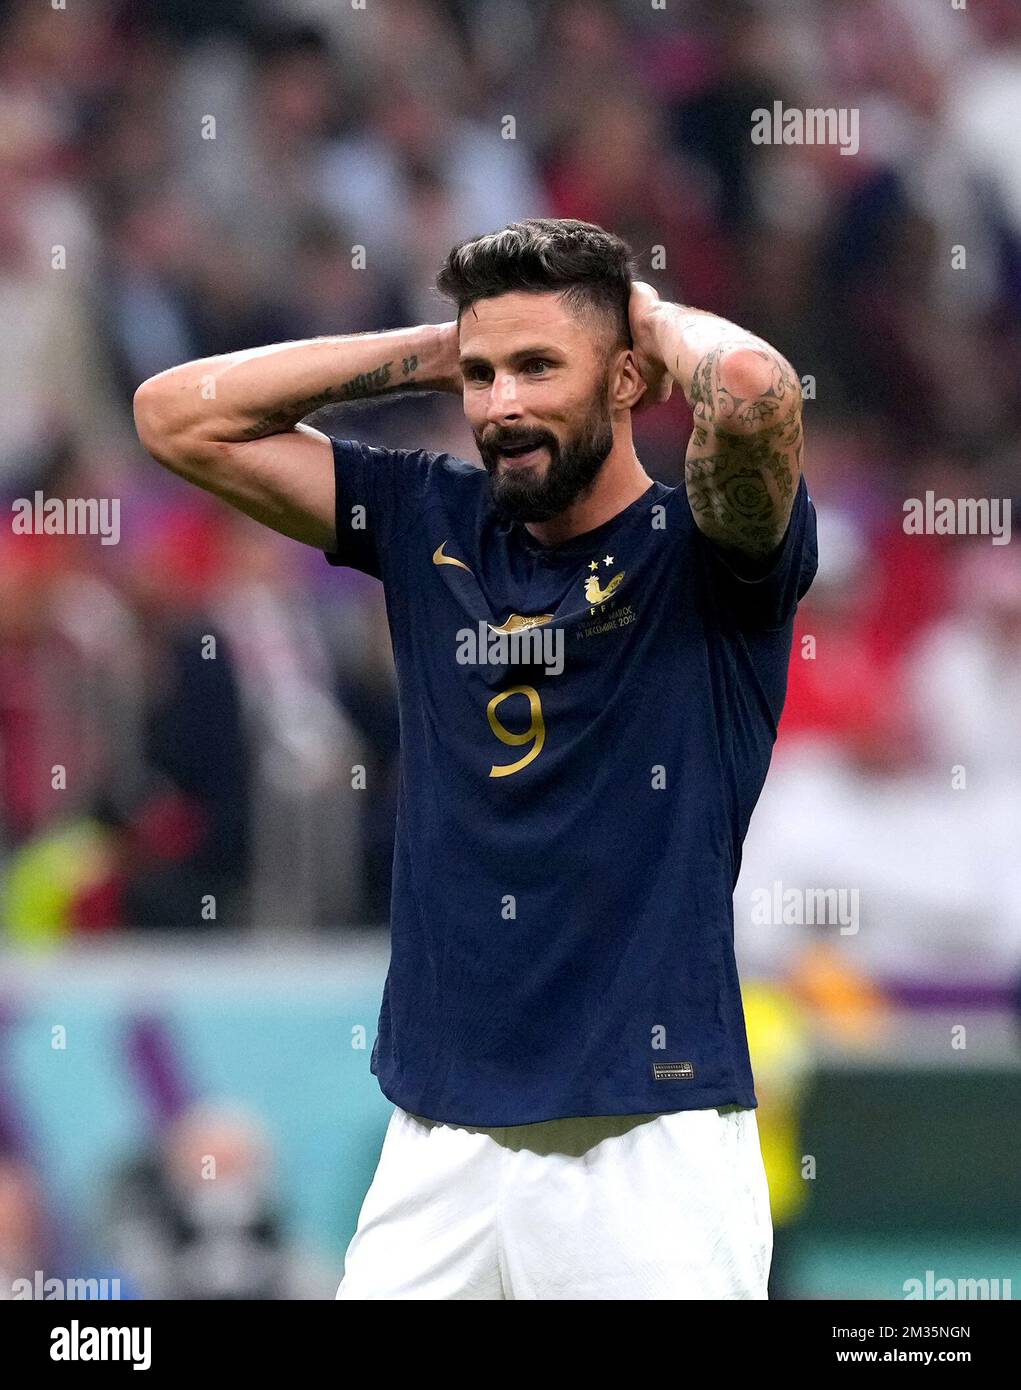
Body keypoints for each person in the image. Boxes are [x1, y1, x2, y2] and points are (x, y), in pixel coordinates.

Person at [133, 217, 817, 1300]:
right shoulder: (427, 517)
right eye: (483, 374)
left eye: (540, 367)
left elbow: (750, 388)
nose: (501, 406)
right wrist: (436, 346)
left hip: (646, 1140)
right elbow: (176, 417)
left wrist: (642, 316)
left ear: (629, 376)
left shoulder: (710, 556)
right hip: (438, 1137)